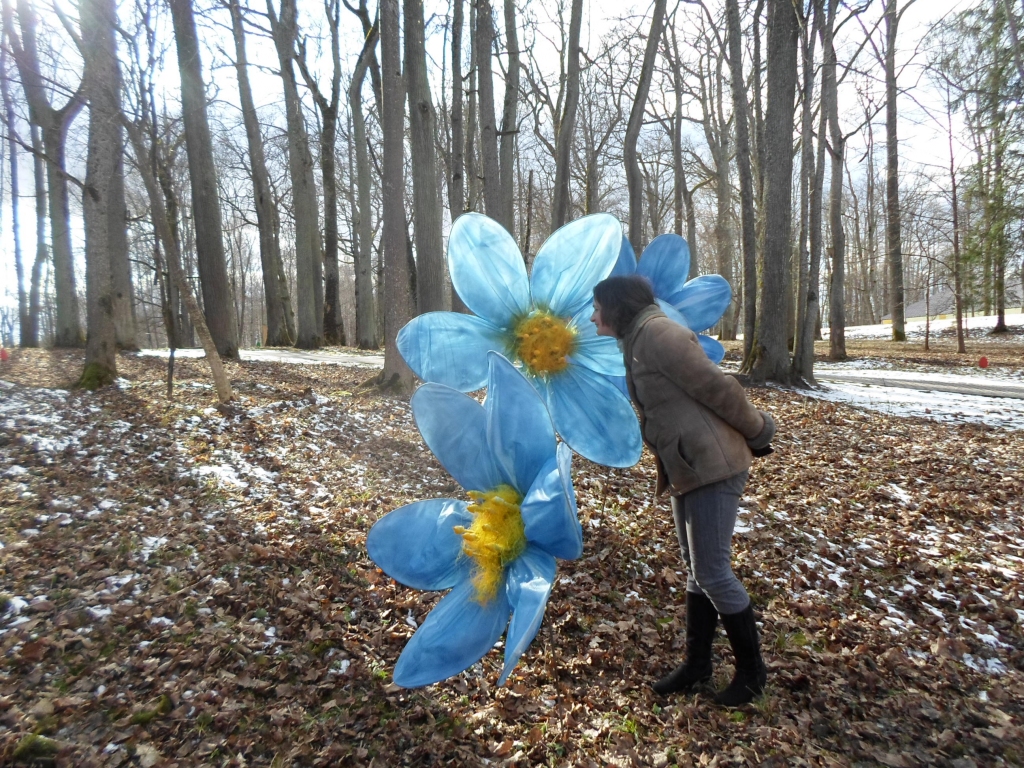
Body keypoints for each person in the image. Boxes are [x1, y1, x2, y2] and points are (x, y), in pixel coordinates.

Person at [591, 275, 775, 706]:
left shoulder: (658, 334)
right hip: (688, 467)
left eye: (597, 306)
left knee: (713, 571)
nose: (593, 315)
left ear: (618, 307)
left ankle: (752, 674)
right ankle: (697, 666)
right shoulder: (636, 337)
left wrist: (758, 430)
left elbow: (718, 388)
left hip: (714, 465)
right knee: (697, 571)